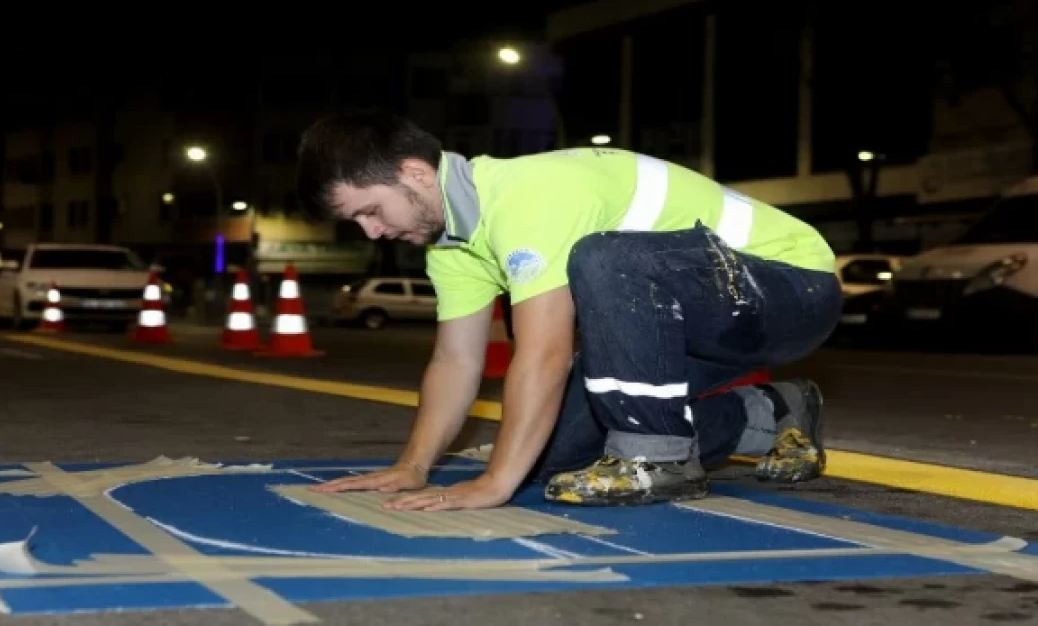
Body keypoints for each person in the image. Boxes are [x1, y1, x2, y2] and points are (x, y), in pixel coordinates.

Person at [296, 111, 842, 510]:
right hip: (691, 323)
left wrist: (494, 484)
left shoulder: (529, 194)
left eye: (370, 210)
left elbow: (546, 353)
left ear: (415, 173)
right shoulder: (454, 247)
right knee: (557, 456)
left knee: (606, 257)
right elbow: (454, 363)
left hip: (789, 287)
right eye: (357, 223)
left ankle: (655, 455)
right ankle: (769, 416)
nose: (373, 231)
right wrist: (412, 466)